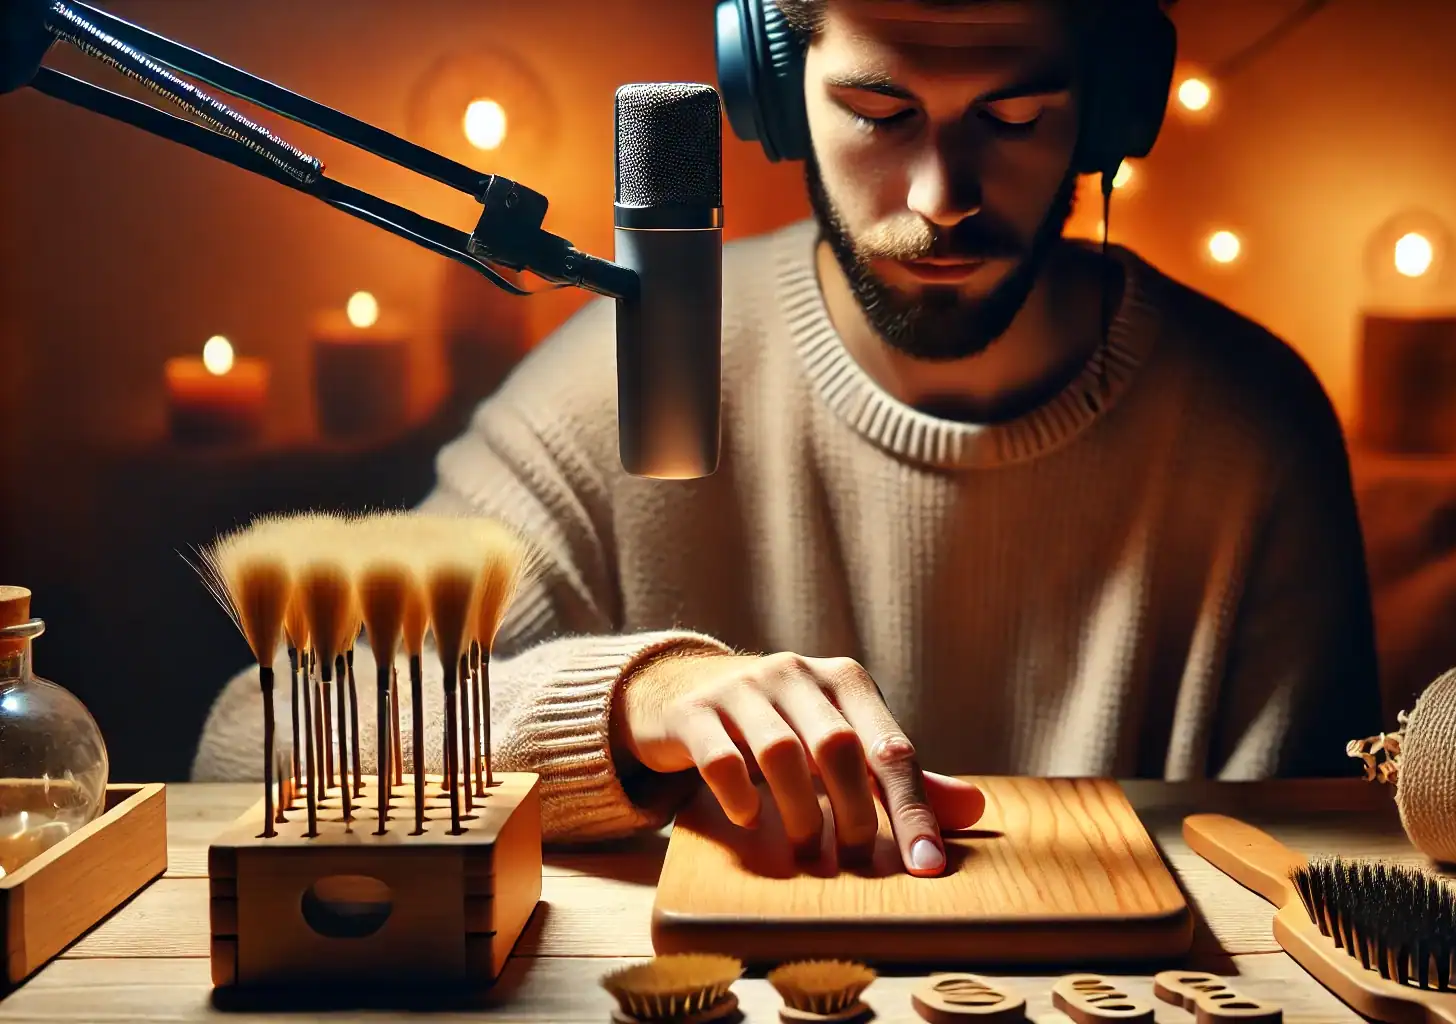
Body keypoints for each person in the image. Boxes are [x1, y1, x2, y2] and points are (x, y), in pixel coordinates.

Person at [194, 0, 1380, 878]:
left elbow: (1318, 863)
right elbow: (253, 745)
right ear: (772, 88)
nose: (940, 195)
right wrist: (629, 701)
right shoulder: (621, 377)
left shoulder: (1249, 427)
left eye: (1014, 117)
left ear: (1109, 109)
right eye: (878, 113)